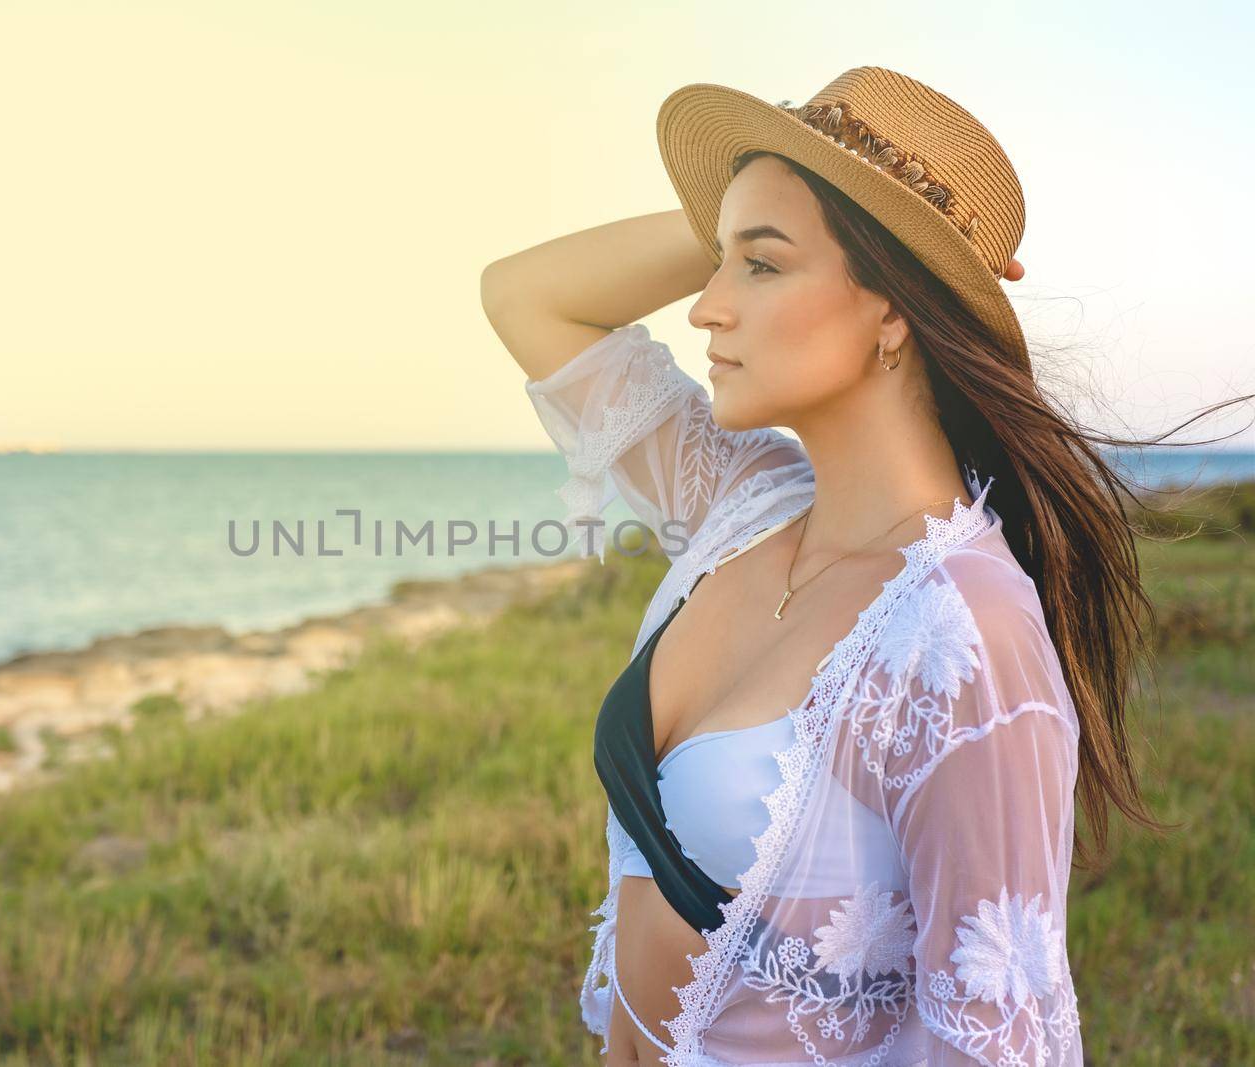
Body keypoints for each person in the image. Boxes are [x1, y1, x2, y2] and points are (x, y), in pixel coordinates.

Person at [480, 67, 1242, 1066]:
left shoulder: (963, 635)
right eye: (718, 263)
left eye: (759, 267)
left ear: (893, 309)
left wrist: (862, 209)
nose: (703, 308)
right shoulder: (741, 506)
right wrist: (767, 191)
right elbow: (527, 298)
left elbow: (992, 1044)